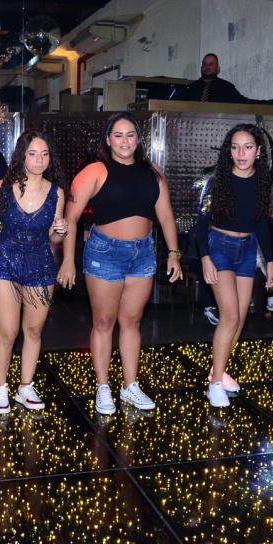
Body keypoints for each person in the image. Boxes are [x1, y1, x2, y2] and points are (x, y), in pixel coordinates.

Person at [58, 112, 182, 415]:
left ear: (138, 139)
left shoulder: (152, 172)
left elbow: (166, 216)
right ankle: (103, 386)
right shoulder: (94, 171)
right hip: (105, 253)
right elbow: (70, 218)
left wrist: (174, 253)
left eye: (130, 135)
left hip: (143, 253)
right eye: (118, 135)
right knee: (103, 322)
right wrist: (68, 261)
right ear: (108, 139)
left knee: (132, 321)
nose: (124, 141)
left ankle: (129, 385)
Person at [0, 129, 67, 414]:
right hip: (4, 262)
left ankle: (25, 387)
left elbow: (54, 238)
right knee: (8, 332)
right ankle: (0, 387)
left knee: (33, 330)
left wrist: (61, 231)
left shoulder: (56, 193)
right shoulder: (2, 187)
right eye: (33, 154)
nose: (39, 160)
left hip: (40, 264)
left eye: (44, 154)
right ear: (22, 156)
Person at [196, 124, 273, 407]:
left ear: (258, 151)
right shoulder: (216, 181)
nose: (241, 153)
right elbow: (200, 224)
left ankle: (217, 372)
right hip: (219, 246)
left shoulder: (262, 181)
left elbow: (261, 223)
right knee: (229, 316)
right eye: (235, 147)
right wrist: (205, 257)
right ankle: (215, 384)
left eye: (248, 147)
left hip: (247, 248)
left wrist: (270, 262)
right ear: (228, 151)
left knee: (240, 318)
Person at [175, 53, 273, 105]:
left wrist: (271, 103)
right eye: (204, 64)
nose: (207, 67)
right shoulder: (190, 88)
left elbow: (244, 102)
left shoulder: (226, 88)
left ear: (218, 69)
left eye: (211, 64)